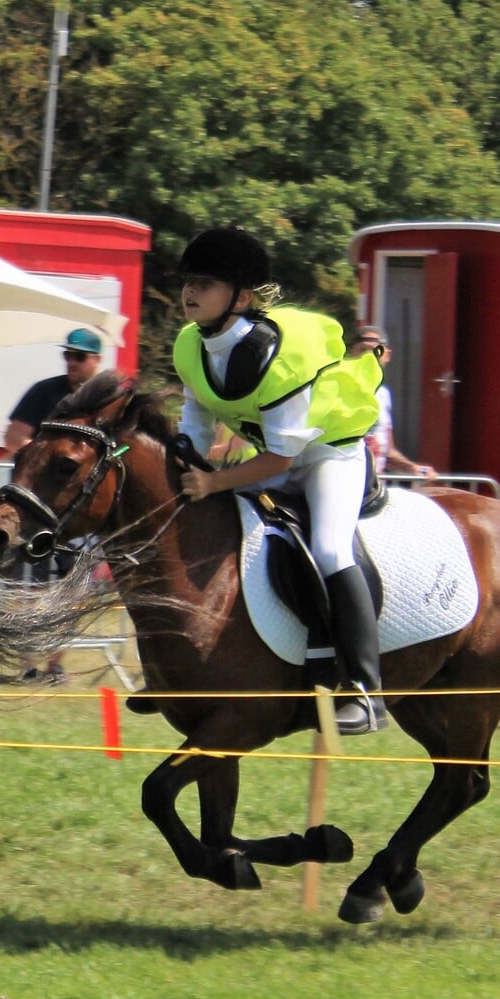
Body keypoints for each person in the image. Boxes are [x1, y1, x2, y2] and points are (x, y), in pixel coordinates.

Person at [172, 227, 386, 734]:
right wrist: (184, 462)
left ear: (242, 297)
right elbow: (196, 425)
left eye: (205, 282)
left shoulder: (280, 354)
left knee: (332, 549)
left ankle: (364, 689)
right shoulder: (190, 345)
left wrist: (214, 484)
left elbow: (281, 461)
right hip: (268, 456)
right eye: (188, 282)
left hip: (326, 456)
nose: (190, 291)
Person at [4, 327, 105, 682]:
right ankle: (26, 664)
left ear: (97, 360)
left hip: (77, 513)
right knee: (27, 588)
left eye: (79, 356)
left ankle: (55, 664)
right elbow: (13, 437)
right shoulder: (45, 392)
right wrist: (48, 463)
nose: (71, 362)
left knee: (69, 590)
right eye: (68, 355)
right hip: (35, 509)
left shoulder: (104, 404)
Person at [345, 326, 436, 479]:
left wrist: (413, 468)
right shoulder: (340, 388)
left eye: (376, 352)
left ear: (387, 356)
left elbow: (387, 451)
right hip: (346, 476)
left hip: (376, 483)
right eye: (363, 350)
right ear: (351, 354)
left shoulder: (383, 395)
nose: (369, 358)